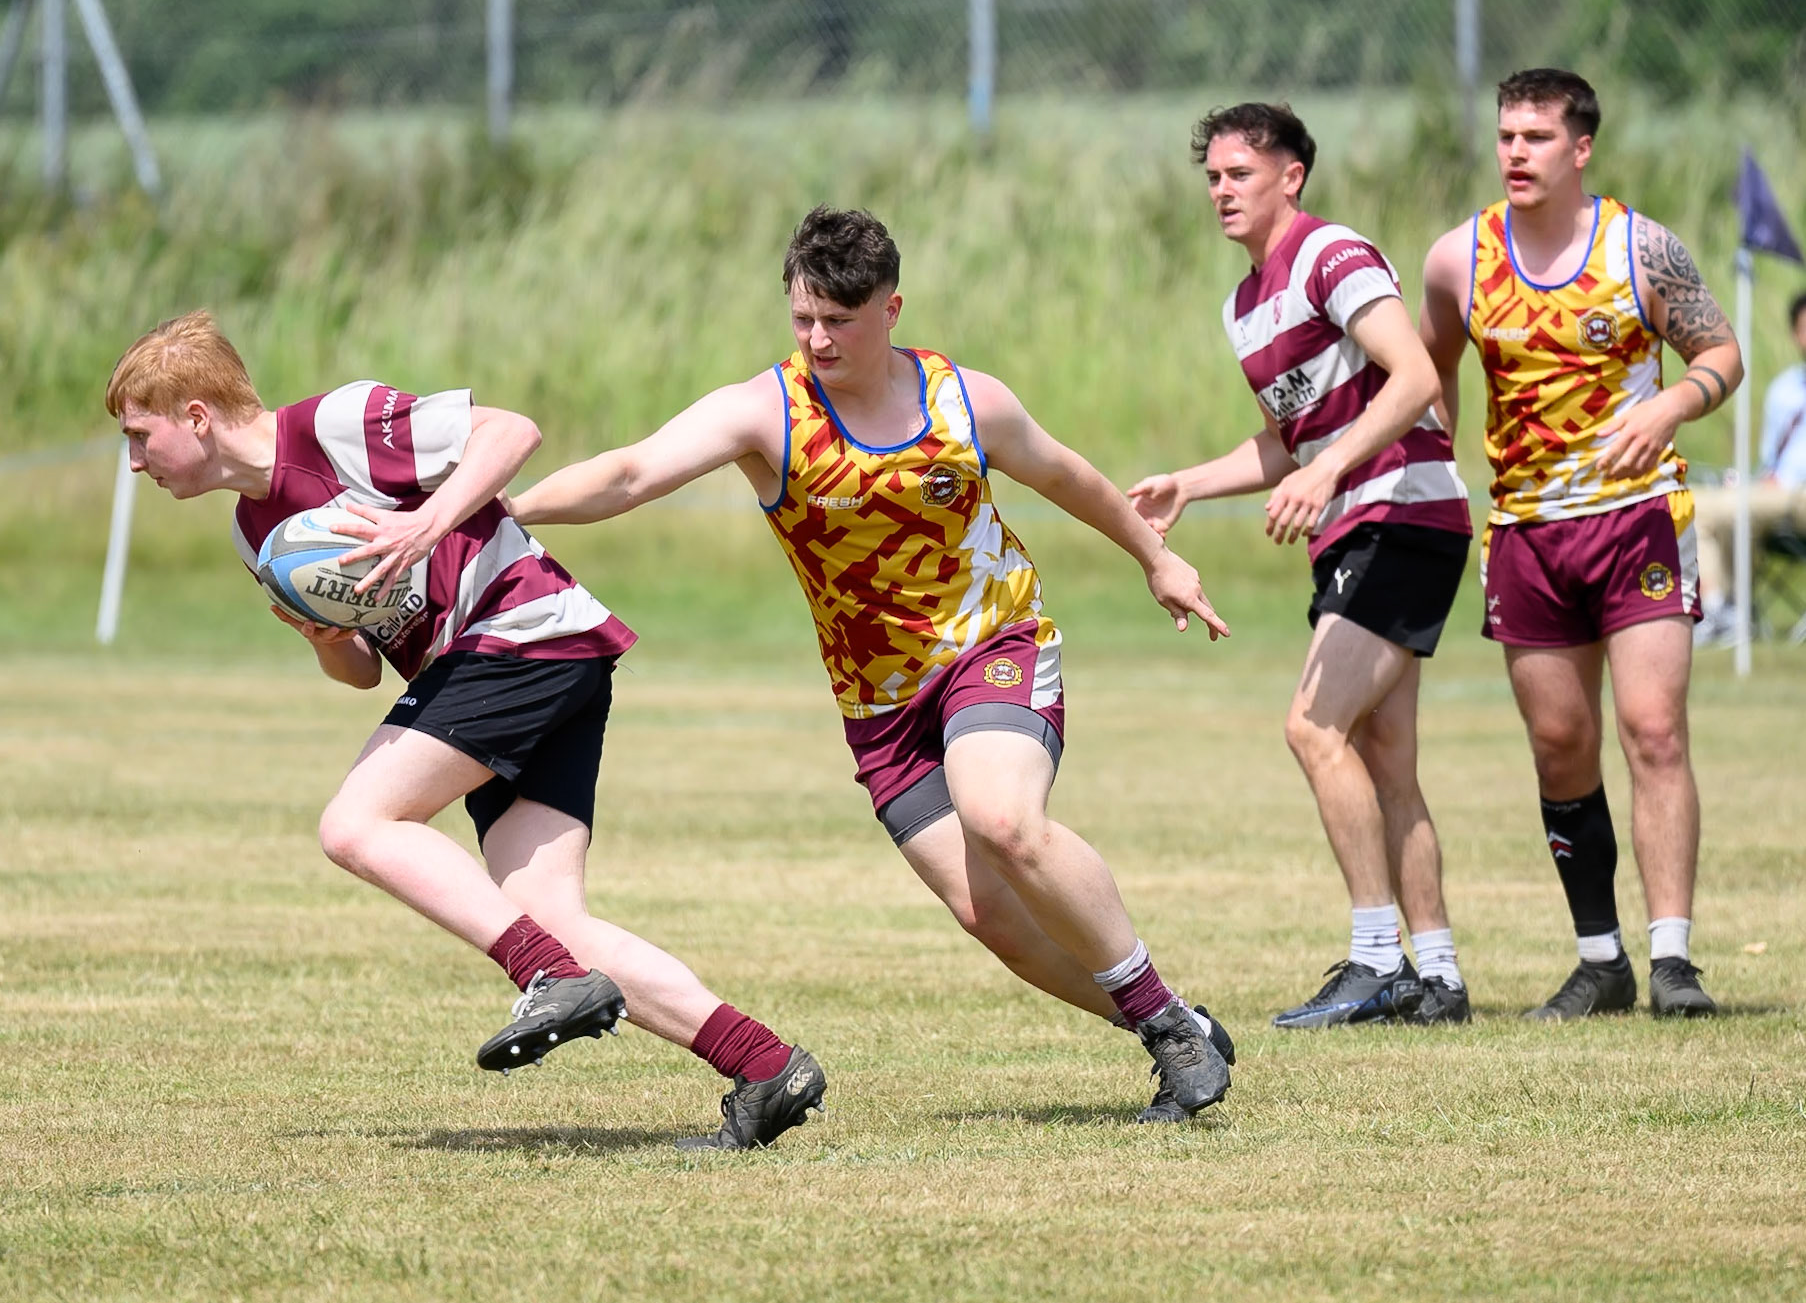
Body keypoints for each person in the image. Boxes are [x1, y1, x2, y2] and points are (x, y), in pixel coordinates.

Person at [510, 206, 1237, 1122]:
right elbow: (629, 473)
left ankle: (1170, 1033)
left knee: (1003, 814)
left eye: (840, 320)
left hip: (992, 643)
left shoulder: (966, 402)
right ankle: (1175, 1024)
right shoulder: (765, 412)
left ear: (892, 309)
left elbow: (1067, 477)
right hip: (880, 706)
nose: (818, 339)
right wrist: (508, 508)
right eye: (803, 316)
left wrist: (1157, 557)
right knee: (994, 921)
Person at [105, 310, 825, 1150]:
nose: (132, 461)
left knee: (356, 823)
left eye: (139, 436)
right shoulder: (254, 532)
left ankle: (547, 975)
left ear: (195, 416)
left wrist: (427, 521)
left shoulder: (336, 426)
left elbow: (510, 432)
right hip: (529, 657)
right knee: (552, 915)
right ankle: (767, 1065)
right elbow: (363, 672)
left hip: (519, 632)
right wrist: (327, 637)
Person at [1129, 103, 1473, 1029]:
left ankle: (1374, 961)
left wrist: (1330, 467)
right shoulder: (1245, 305)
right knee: (1384, 754)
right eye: (1212, 176)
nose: (1221, 190)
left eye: (1240, 173)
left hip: (1404, 511)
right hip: (1360, 524)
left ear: (1292, 176)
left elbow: (1416, 379)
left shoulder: (1334, 256)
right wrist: (1192, 484)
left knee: (1313, 729)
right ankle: (1437, 977)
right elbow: (1297, 438)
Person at [1419, 69, 1744, 1020]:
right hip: (1527, 533)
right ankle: (1599, 959)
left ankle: (1673, 961)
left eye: (1537, 137)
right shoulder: (1459, 258)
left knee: (1653, 729)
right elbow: (1430, 367)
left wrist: (1675, 406)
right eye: (1506, 135)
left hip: (1638, 515)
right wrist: (1432, 461)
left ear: (1581, 149)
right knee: (1561, 745)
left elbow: (1720, 354)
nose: (1516, 152)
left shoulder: (1641, 250)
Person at [1693, 290, 1806, 643]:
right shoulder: (1784, 389)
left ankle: (1727, 610)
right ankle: (1721, 608)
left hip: (1797, 496)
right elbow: (1771, 461)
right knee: (1697, 503)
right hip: (1777, 496)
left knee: (1734, 509)